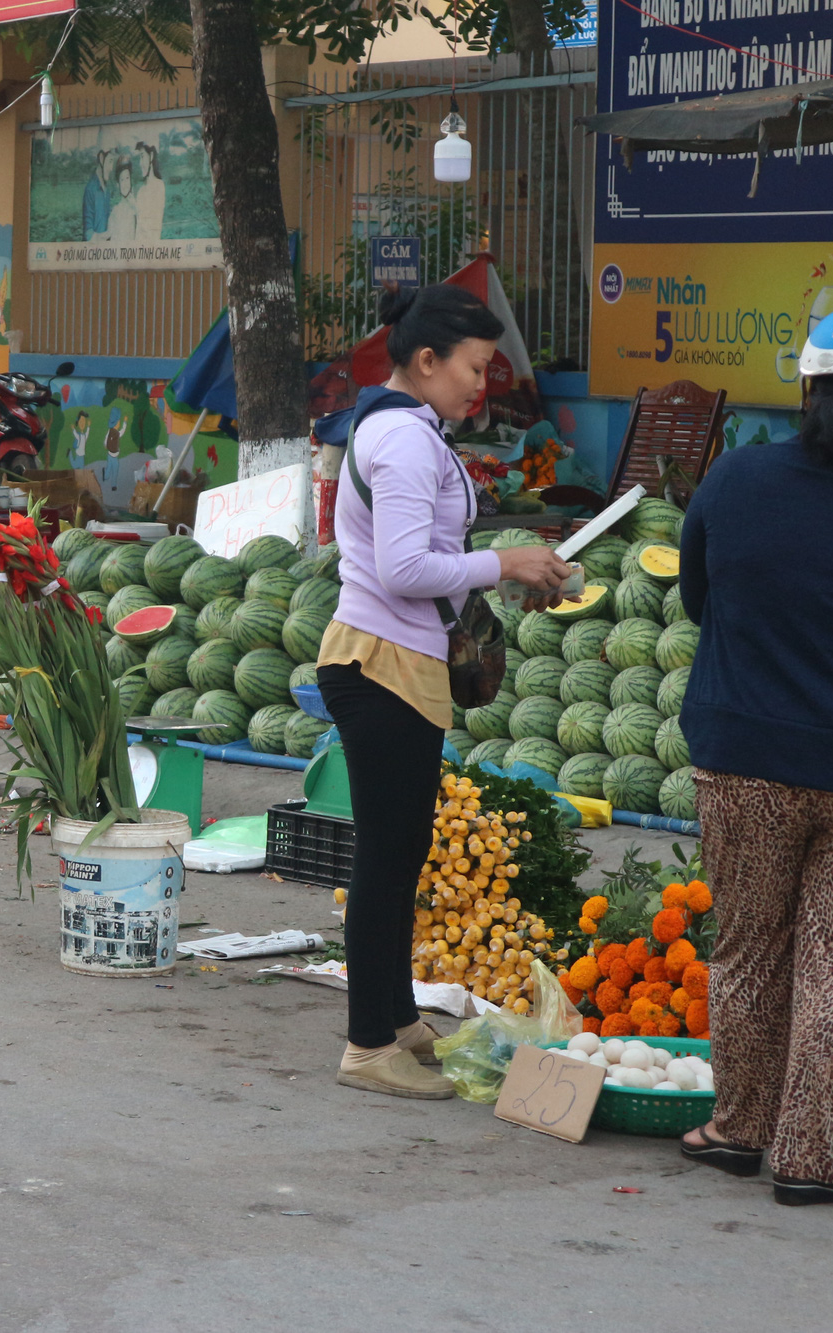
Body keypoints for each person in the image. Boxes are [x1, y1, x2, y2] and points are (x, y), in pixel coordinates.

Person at [315, 282, 572, 1100]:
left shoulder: (408, 431)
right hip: (379, 665)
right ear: (425, 361)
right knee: (387, 859)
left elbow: (425, 562)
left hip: (397, 661)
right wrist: (506, 562)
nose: (481, 384)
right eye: (474, 366)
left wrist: (510, 573)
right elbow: (403, 569)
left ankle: (397, 1020)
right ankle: (367, 1045)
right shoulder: (403, 443)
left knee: (402, 852)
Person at [674, 303, 833, 1206]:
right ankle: (811, 1158)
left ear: (803, 386)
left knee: (748, 947)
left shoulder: (736, 478)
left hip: (741, 752)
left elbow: (696, 597)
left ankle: (738, 1128)